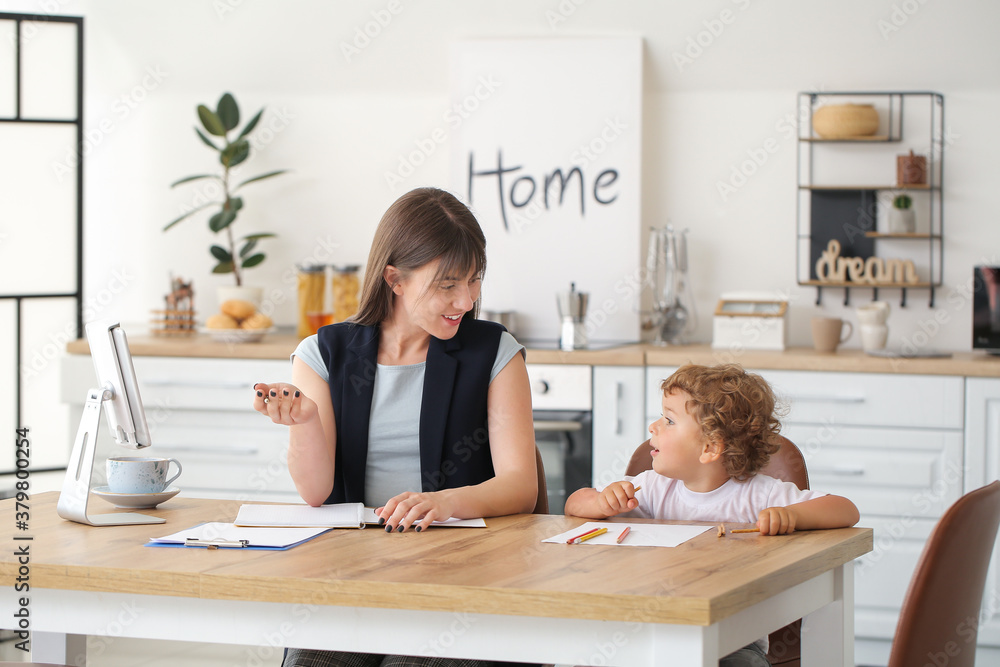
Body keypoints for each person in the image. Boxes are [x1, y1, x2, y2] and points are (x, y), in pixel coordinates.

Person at [254, 187, 537, 667]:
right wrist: (305, 424)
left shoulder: (494, 351)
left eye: (474, 281)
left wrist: (443, 504)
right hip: (352, 575)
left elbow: (521, 486)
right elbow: (317, 492)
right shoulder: (325, 354)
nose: (466, 300)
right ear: (394, 279)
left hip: (464, 575)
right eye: (447, 285)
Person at [564, 363, 860, 667]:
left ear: (710, 447)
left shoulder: (758, 495)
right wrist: (601, 502)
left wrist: (792, 515)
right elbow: (574, 503)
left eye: (668, 420)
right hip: (654, 633)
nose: (653, 426)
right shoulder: (654, 487)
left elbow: (845, 509)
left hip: (733, 643)